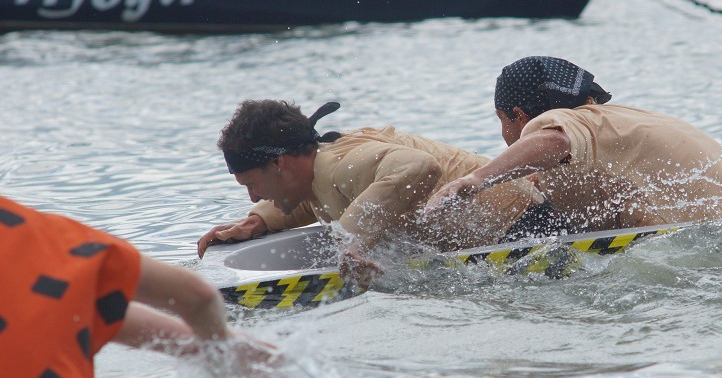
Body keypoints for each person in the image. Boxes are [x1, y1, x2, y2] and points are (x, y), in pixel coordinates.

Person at [196, 100, 564, 279]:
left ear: (279, 163)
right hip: (513, 235)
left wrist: (351, 238)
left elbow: (419, 167)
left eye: (251, 185)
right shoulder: (318, 172)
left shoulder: (342, 164)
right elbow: (313, 201)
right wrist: (256, 222)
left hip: (532, 230)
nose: (254, 197)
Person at [0, 195, 249, 378]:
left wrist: (195, 347)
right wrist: (221, 353)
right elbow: (199, 296)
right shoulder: (40, 235)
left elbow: (71, 312)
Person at [425, 56, 722, 231]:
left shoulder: (568, 123)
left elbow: (553, 139)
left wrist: (475, 180)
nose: (504, 134)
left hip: (706, 234)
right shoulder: (623, 120)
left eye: (501, 120)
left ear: (517, 114)